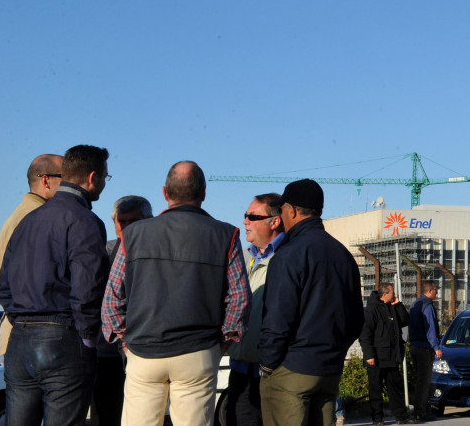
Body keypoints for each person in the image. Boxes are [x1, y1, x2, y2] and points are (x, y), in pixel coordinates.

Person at [102, 161, 250, 426]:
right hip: (198, 350)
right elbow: (238, 297)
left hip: (143, 349)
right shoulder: (226, 235)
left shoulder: (133, 234)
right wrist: (223, 340)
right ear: (203, 193)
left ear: (165, 192)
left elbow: (112, 297)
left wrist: (124, 340)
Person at [0, 145, 110, 426]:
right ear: (92, 177)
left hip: (20, 340)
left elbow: (3, 287)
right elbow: (88, 288)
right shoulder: (85, 221)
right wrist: (87, 337)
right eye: (106, 178)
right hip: (64, 339)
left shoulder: (27, 221)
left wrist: (24, 319)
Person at [259, 178, 365, 426]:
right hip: (328, 371)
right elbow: (356, 318)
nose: (281, 215)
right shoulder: (343, 255)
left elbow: (277, 319)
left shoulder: (288, 255)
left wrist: (267, 364)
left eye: (282, 208)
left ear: (292, 210)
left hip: (291, 371)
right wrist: (334, 353)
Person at [0, 153, 64, 358]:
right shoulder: (38, 219)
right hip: (34, 338)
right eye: (65, 178)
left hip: (19, 333)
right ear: (46, 180)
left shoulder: (21, 215)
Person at [93, 195, 153, 426]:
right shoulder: (105, 251)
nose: (127, 228)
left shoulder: (156, 252)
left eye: (133, 221)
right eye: (122, 222)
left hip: (144, 348)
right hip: (108, 350)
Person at [226, 193, 286, 426]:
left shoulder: (288, 258)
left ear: (274, 221)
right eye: (245, 216)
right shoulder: (242, 257)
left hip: (274, 373)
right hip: (240, 368)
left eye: (253, 216)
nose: (245, 221)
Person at [360, 284, 409, 426]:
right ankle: (378, 418)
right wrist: (369, 355)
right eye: (392, 293)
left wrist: (398, 305)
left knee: (395, 388)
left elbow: (405, 321)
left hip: (392, 356)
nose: (394, 295)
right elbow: (365, 335)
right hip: (376, 357)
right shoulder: (371, 311)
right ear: (384, 294)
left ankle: (401, 416)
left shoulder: (392, 307)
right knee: (376, 389)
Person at [408, 281, 442, 422]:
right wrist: (436, 347)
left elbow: (407, 325)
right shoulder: (427, 306)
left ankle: (422, 409)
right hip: (424, 347)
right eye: (435, 290)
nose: (437, 292)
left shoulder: (414, 305)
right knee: (424, 381)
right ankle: (421, 411)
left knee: (420, 380)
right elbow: (430, 329)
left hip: (414, 346)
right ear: (430, 290)